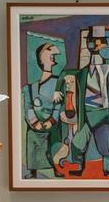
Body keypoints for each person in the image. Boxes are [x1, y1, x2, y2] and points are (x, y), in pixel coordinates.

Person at [78, 24, 109, 178]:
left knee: (105, 143)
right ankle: (80, 167)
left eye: (96, 41)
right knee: (79, 143)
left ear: (103, 43)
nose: (92, 44)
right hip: (87, 113)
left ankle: (106, 169)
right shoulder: (84, 71)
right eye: (90, 40)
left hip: (104, 113)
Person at [23, 38, 74, 179]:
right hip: (36, 123)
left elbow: (58, 104)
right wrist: (34, 122)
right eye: (47, 52)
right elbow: (27, 106)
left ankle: (54, 167)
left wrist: (51, 120)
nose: (52, 55)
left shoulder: (57, 84)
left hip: (51, 122)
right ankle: (33, 170)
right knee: (32, 136)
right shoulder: (30, 87)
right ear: (40, 59)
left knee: (52, 142)